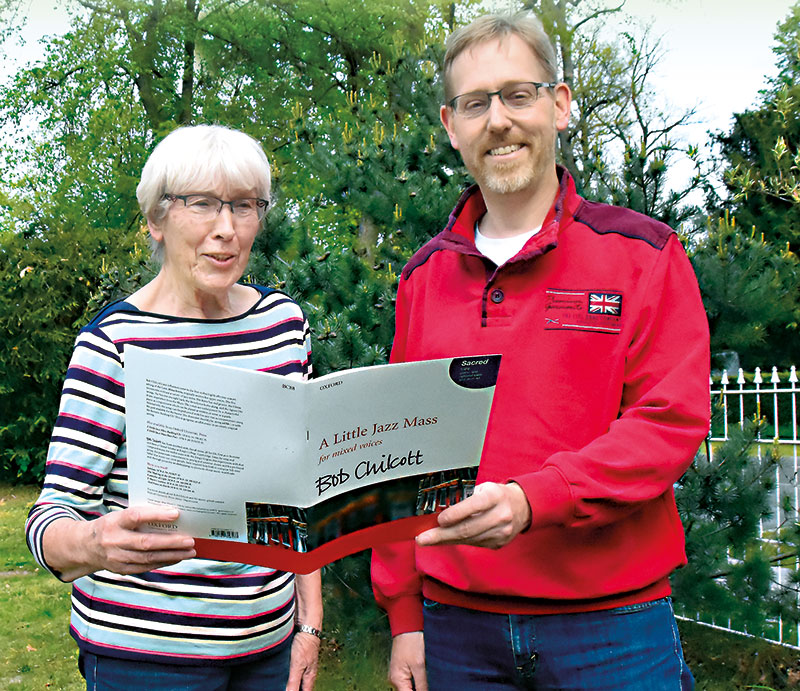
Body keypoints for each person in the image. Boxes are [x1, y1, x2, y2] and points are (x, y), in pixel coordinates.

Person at [371, 12, 709, 691]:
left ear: (559, 105)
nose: (497, 120)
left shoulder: (643, 254)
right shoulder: (423, 278)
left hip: (612, 628)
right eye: (475, 103)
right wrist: (405, 613)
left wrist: (536, 499)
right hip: (456, 629)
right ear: (451, 125)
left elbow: (668, 421)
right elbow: (395, 457)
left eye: (517, 94)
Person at [25, 125, 322, 691]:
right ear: (155, 221)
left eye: (244, 206)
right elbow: (49, 522)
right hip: (145, 659)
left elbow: (300, 495)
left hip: (268, 650)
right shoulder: (114, 345)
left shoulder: (283, 326)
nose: (226, 230)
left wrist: (308, 626)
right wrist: (98, 542)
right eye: (202, 205)